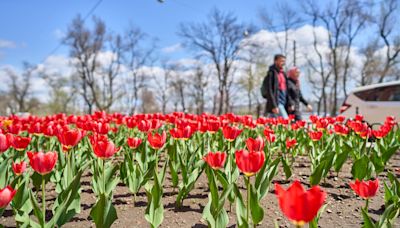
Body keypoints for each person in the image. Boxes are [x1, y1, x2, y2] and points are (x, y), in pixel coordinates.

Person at [262, 54, 289, 118]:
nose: (283, 63)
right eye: (281, 61)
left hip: (283, 101)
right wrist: (273, 105)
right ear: (275, 61)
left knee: (273, 121)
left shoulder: (283, 73)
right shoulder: (271, 73)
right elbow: (270, 90)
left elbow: (286, 89)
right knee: (286, 121)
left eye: (284, 61)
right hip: (277, 102)